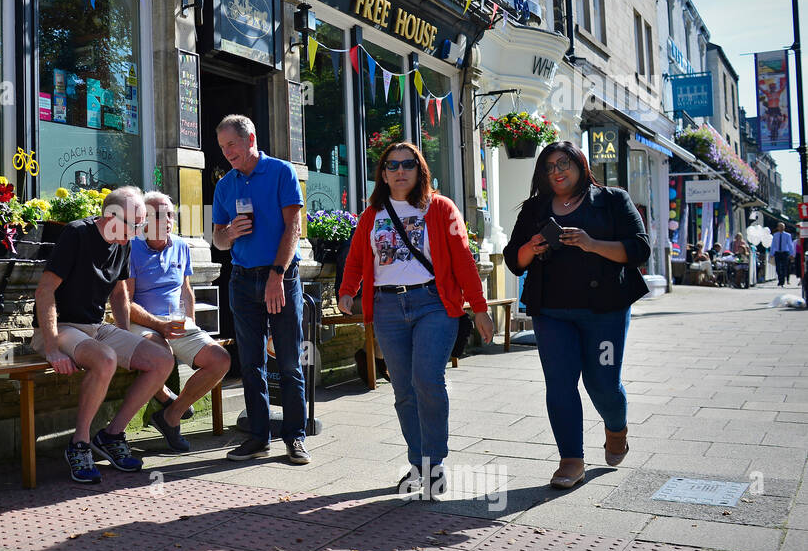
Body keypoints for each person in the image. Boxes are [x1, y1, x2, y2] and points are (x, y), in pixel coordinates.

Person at [338, 141, 492, 498]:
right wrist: (348, 289)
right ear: (383, 173)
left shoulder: (440, 208)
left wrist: (479, 307)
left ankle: (434, 462)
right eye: (392, 165)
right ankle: (417, 464)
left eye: (408, 164)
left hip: (433, 304)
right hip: (388, 309)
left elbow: (463, 260)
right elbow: (359, 258)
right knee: (403, 388)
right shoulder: (372, 214)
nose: (400, 171)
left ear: (419, 169)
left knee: (427, 379)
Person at [502, 141, 650, 489]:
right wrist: (531, 247)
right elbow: (513, 259)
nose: (557, 171)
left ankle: (616, 429)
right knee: (560, 383)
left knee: (602, 383)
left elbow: (639, 248)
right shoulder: (535, 209)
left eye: (563, 163)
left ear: (580, 164)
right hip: (552, 313)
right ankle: (571, 459)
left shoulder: (613, 200)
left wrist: (591, 243)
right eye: (550, 166)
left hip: (605, 313)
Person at [32, 186, 175, 483]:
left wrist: (127, 339)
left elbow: (120, 293)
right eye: (134, 224)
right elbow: (45, 291)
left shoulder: (122, 242)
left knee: (162, 360)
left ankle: (111, 435)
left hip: (96, 328)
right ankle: (79, 443)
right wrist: (52, 348)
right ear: (110, 216)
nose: (138, 232)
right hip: (63, 327)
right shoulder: (77, 234)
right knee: (106, 359)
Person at [210, 114, 310, 464]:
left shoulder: (282, 172)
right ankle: (258, 436)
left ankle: (295, 437)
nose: (227, 153)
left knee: (288, 361)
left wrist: (277, 274)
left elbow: (293, 227)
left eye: (231, 145)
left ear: (250, 138)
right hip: (241, 279)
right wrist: (230, 233)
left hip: (280, 276)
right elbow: (218, 240)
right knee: (250, 363)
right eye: (222, 147)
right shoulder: (225, 185)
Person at [124, 191, 232, 452]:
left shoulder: (182, 246)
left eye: (170, 214)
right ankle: (163, 396)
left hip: (176, 322)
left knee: (221, 360)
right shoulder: (130, 248)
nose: (167, 220)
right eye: (159, 214)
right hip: (143, 322)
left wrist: (190, 324)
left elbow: (186, 290)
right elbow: (126, 303)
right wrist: (158, 326)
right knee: (160, 356)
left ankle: (170, 415)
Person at [772, 222, 795, 287]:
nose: (781, 228)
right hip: (777, 252)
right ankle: (780, 279)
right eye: (780, 227)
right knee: (778, 268)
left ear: (784, 228)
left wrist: (791, 254)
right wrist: (772, 253)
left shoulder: (787, 235)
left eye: (782, 227)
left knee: (784, 267)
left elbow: (790, 245)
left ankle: (782, 282)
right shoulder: (775, 235)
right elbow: (773, 244)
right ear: (778, 227)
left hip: (785, 253)